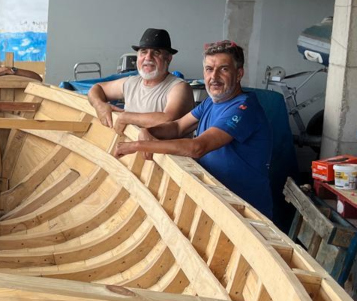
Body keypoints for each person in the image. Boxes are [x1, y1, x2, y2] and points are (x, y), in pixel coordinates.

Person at [114, 41, 274, 218]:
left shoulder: (243, 108)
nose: (214, 76)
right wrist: (150, 132)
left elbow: (197, 147)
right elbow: (177, 126)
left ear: (239, 74)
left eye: (224, 69)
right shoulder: (210, 103)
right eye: (209, 69)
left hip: (246, 211)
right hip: (217, 199)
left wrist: (138, 146)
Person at [87, 28, 193, 133]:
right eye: (143, 52)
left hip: (162, 150)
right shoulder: (130, 83)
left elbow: (168, 120)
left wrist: (127, 117)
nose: (148, 58)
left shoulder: (179, 87)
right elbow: (97, 88)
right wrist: (99, 104)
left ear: (168, 58)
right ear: (137, 57)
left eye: (156, 53)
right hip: (132, 148)